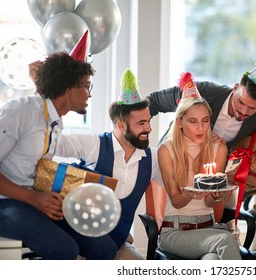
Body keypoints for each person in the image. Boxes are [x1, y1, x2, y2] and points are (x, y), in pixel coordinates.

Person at [0, 52, 117, 260]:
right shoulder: (21, 111)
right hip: (4, 203)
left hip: (31, 200)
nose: (89, 94)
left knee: (104, 246)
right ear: (69, 87)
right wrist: (33, 198)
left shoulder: (54, 121)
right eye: (86, 86)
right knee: (64, 249)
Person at [55, 69, 164, 260]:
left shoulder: (153, 158)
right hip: (78, 240)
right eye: (141, 123)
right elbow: (52, 143)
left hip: (116, 243)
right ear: (121, 125)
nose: (148, 128)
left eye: (148, 121)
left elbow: (177, 187)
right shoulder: (95, 145)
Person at [157, 72, 241, 259]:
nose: (201, 128)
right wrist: (188, 194)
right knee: (226, 240)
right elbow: (177, 202)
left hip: (208, 228)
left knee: (212, 260)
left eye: (205, 121)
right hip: (176, 232)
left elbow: (209, 202)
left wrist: (217, 197)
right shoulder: (166, 150)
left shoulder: (218, 147)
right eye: (193, 122)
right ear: (179, 122)